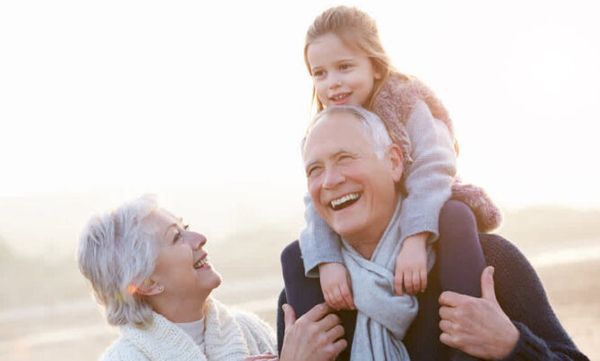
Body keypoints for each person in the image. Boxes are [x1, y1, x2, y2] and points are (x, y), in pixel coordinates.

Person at [279, 106, 589, 360]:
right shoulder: (304, 301)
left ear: (394, 162)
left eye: (344, 158)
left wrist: (512, 346)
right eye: (314, 170)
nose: (330, 180)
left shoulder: (489, 261)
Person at [299, 5, 499, 318]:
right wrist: (328, 261)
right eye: (320, 73)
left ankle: (466, 324)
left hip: (424, 206)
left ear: (375, 66)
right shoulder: (326, 126)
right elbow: (316, 201)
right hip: (370, 222)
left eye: (344, 67)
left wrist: (415, 239)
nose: (332, 83)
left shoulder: (406, 103)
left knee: (456, 215)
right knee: (294, 256)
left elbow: (433, 170)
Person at [77, 195, 347, 361]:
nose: (199, 238)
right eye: (175, 237)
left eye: (187, 228)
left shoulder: (248, 329)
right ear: (147, 283)